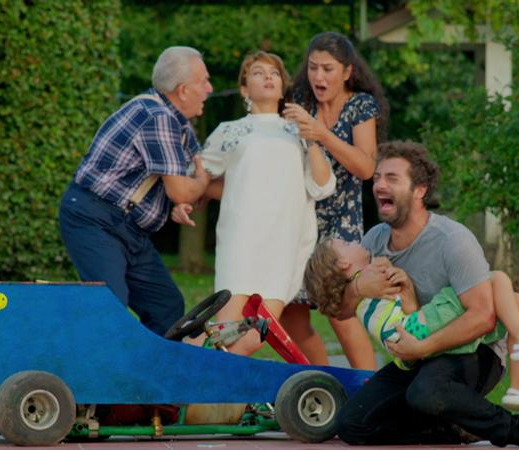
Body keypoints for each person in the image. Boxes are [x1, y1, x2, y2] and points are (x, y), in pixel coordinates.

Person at [332, 140, 519, 447]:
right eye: (377, 178)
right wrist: (358, 288)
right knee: (352, 425)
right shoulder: (374, 240)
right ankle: (456, 428)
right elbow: (340, 310)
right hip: (416, 351)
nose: (379, 185)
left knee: (426, 392)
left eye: (392, 178)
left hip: (474, 349)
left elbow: (482, 316)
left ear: (420, 190)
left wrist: (422, 348)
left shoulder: (453, 240)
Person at [172, 51, 335, 355]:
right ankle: (192, 369)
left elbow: (323, 186)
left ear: (282, 87)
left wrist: (312, 137)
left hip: (284, 243)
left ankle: (191, 363)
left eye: (274, 73)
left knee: (258, 334)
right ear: (245, 89)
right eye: (258, 73)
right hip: (241, 242)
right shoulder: (230, 130)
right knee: (226, 331)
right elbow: (198, 175)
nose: (268, 77)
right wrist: (185, 199)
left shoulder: (300, 130)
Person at [304, 237, 519, 417]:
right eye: (346, 243)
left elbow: (405, 310)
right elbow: (391, 308)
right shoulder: (367, 280)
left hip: (416, 329)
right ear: (344, 264)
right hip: (419, 328)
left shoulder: (362, 295)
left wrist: (405, 288)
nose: (354, 241)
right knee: (497, 278)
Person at [58, 46, 212, 336]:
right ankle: (83, 362)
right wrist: (196, 186)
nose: (209, 89)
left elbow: (187, 172)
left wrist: (181, 196)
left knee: (166, 306)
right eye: (204, 81)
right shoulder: (157, 116)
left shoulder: (180, 126)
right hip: (96, 218)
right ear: (182, 90)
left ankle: (146, 365)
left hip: (129, 228)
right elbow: (185, 187)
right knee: (110, 307)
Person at [279, 31, 389, 370]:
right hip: (298, 219)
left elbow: (366, 168)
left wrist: (322, 134)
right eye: (313, 67)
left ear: (347, 71)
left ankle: (367, 384)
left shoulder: (360, 106)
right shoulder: (299, 100)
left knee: (340, 310)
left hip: (341, 221)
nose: (318, 76)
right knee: (292, 315)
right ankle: (324, 382)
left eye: (327, 69)